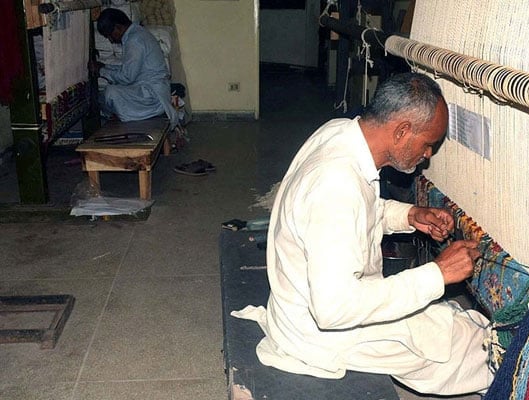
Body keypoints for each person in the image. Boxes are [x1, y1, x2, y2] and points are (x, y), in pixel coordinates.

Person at [232, 73, 494, 395]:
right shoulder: (335, 185)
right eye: (428, 144)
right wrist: (438, 274)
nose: (428, 155)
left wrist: (410, 214)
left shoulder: (340, 133)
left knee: (449, 317)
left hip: (304, 305)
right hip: (320, 334)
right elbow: (334, 310)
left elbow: (360, 210)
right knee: (467, 347)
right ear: (401, 131)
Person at [90, 8, 177, 129]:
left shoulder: (134, 40)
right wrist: (105, 67)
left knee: (110, 93)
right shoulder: (138, 34)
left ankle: (131, 115)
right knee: (108, 94)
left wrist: (101, 71)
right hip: (151, 92)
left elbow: (127, 77)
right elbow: (128, 69)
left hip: (152, 98)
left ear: (118, 27)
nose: (110, 39)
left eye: (110, 35)